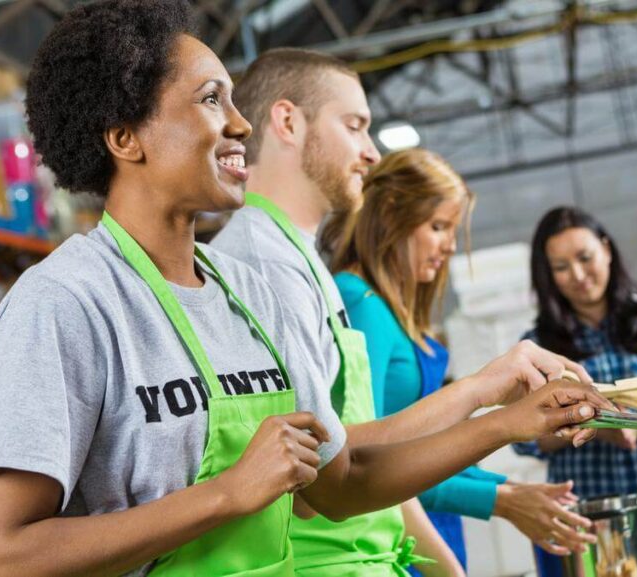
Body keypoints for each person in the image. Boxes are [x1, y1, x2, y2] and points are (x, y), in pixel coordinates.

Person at [0, 3, 610, 575]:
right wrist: (224, 493)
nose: (242, 125)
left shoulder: (249, 291)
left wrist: (507, 420)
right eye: (213, 99)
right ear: (126, 137)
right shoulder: (65, 303)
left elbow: (342, 479)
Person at [211, 48, 602, 576]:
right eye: (355, 126)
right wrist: (491, 405)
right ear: (287, 121)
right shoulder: (261, 266)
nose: (371, 154)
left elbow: (346, 454)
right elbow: (328, 477)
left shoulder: (299, 262)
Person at [323, 149, 593, 573]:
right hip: (400, 538)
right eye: (438, 227)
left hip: (430, 529)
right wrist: (499, 499)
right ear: (391, 213)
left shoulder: (392, 308)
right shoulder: (361, 303)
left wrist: (507, 490)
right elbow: (369, 463)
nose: (450, 246)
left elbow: (424, 446)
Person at [510, 207, 637, 575]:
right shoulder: (536, 347)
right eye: (561, 267)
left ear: (607, 251)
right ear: (547, 276)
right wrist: (592, 424)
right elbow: (524, 437)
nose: (578, 275)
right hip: (584, 516)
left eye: (585, 258)